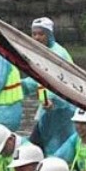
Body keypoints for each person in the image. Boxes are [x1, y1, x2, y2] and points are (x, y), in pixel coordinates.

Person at [22, 17, 75, 156]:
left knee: (60, 148)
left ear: (49, 35)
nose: (37, 37)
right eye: (34, 34)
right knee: (41, 145)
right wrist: (21, 87)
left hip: (63, 110)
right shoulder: (40, 53)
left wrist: (53, 100)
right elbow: (39, 78)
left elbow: (61, 82)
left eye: (41, 34)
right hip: (48, 108)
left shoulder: (58, 54)